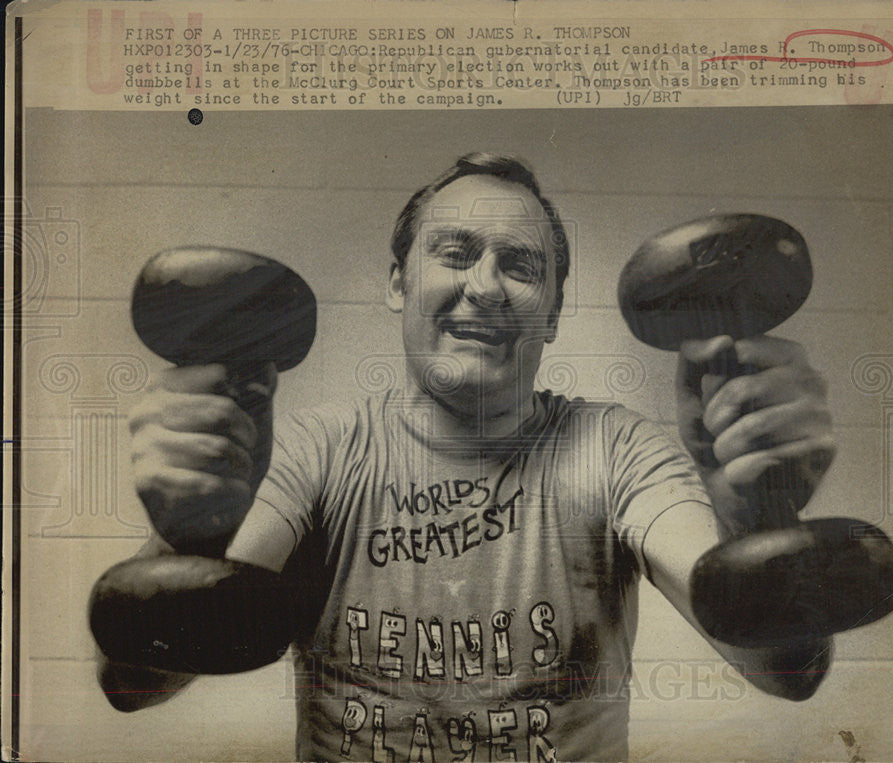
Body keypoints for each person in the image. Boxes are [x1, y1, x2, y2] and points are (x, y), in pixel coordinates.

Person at [92, 153, 836, 761]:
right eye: (455, 253)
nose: (484, 287)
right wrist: (182, 538)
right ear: (397, 283)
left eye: (519, 265)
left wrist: (757, 514)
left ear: (550, 309)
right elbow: (137, 682)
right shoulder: (319, 449)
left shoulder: (617, 450)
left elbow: (786, 669)